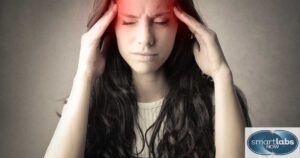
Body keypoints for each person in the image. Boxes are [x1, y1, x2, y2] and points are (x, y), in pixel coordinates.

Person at [44, 0, 252, 157]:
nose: (145, 39)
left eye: (161, 21)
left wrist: (222, 74)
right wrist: (84, 75)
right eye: (128, 22)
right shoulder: (85, 103)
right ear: (109, 27)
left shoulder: (215, 100)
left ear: (181, 25)